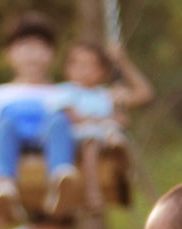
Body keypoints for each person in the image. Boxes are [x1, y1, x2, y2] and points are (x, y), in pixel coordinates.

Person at [0, 11, 81, 220]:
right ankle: (5, 183)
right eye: (25, 48)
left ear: (52, 54)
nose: (32, 56)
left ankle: (61, 179)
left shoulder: (65, 93)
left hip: (49, 145)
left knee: (59, 121)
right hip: (12, 146)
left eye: (40, 48)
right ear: (9, 54)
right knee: (5, 125)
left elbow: (84, 127)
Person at [54, 39, 154, 212]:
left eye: (91, 65)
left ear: (103, 71)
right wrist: (106, 120)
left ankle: (124, 170)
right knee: (91, 141)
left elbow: (144, 94)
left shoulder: (106, 94)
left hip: (105, 136)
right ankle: (93, 193)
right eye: (78, 64)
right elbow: (74, 117)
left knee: (117, 135)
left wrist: (123, 62)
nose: (84, 70)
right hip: (79, 138)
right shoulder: (65, 90)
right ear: (68, 69)